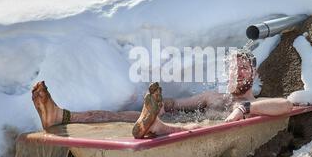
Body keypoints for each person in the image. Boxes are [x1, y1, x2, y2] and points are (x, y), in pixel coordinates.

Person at [31, 50, 293, 139]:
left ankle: (158, 126)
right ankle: (62, 115)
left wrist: (245, 109)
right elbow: (178, 104)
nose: (238, 73)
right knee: (120, 115)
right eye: (234, 68)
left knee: (199, 124)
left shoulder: (255, 103)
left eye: (244, 68)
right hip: (175, 123)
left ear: (255, 75)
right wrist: (162, 104)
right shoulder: (213, 97)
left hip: (199, 132)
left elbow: (286, 105)